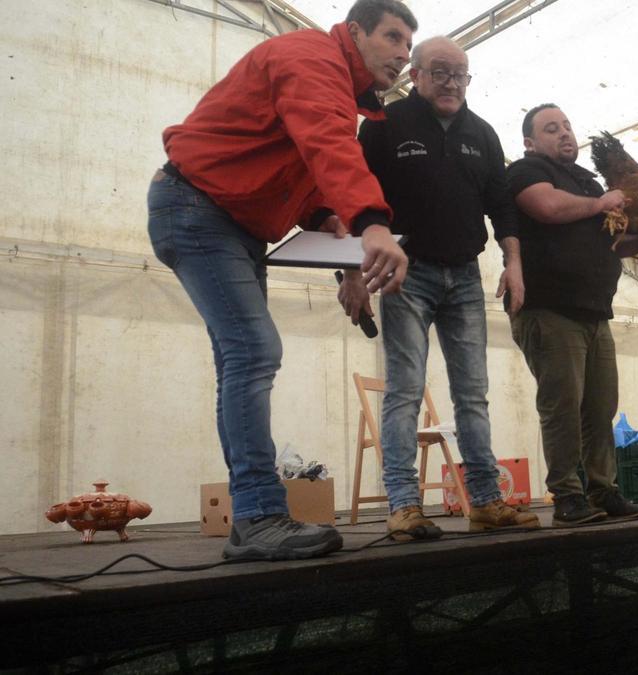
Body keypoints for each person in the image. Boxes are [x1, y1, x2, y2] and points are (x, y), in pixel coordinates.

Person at [147, 0, 416, 561]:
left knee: (240, 357)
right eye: (393, 37)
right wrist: (372, 224)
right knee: (253, 350)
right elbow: (327, 145)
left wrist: (344, 256)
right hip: (198, 208)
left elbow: (308, 180)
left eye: (408, 45)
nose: (402, 54)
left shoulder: (337, 89)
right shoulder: (312, 58)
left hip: (232, 221)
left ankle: (252, 518)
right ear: (355, 31)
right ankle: (260, 514)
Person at [340, 36, 538, 539]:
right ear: (416, 74)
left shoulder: (484, 134)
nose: (452, 82)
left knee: (474, 392)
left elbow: (502, 205)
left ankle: (487, 501)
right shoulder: (384, 125)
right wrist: (351, 273)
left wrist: (513, 264)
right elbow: (354, 197)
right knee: (404, 389)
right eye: (441, 72)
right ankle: (404, 505)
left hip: (465, 274)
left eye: (461, 74)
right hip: (406, 272)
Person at [506, 103, 638, 526]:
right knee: (563, 406)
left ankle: (602, 488)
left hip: (594, 311)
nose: (564, 133)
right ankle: (567, 496)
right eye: (551, 129)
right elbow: (548, 208)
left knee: (600, 405)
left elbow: (613, 241)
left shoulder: (589, 183)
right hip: (549, 307)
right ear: (531, 142)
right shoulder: (526, 170)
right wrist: (600, 203)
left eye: (567, 125)